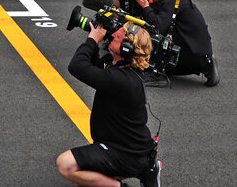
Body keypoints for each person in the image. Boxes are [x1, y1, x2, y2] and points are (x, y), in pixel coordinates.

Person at [57, 20, 161, 187]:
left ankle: (120, 184)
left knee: (66, 165)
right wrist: (94, 40)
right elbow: (92, 67)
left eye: (117, 37)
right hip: (124, 147)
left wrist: (92, 40)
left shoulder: (121, 79)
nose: (112, 35)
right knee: (84, 181)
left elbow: (77, 67)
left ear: (126, 49)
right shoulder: (118, 67)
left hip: (125, 153)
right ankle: (145, 170)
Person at [134, 0, 218, 87]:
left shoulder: (172, 0)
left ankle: (157, 75)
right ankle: (207, 66)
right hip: (199, 55)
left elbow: (158, 26)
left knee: (151, 34)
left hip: (190, 56)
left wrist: (146, 8)